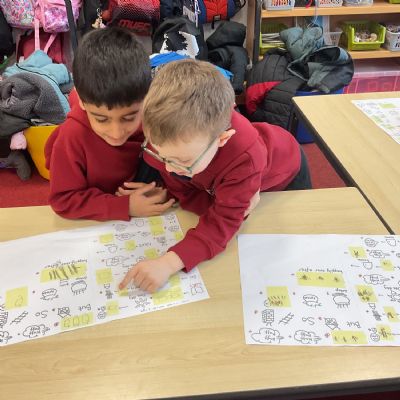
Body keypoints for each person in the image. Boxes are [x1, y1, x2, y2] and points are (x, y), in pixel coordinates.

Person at [119, 59, 311, 293]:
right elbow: (186, 192)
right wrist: (224, 205)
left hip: (285, 173)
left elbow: (223, 223)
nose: (168, 169)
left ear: (222, 139)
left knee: (296, 244)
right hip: (225, 183)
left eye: (183, 161)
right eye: (162, 155)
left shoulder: (245, 158)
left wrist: (168, 263)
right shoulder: (169, 139)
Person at [45, 27, 174, 221]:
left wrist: (164, 191)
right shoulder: (72, 137)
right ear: (81, 101)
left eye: (128, 118)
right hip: (101, 219)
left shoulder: (155, 121)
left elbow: (181, 174)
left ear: (146, 99)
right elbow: (63, 199)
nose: (116, 133)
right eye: (101, 119)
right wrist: (124, 206)